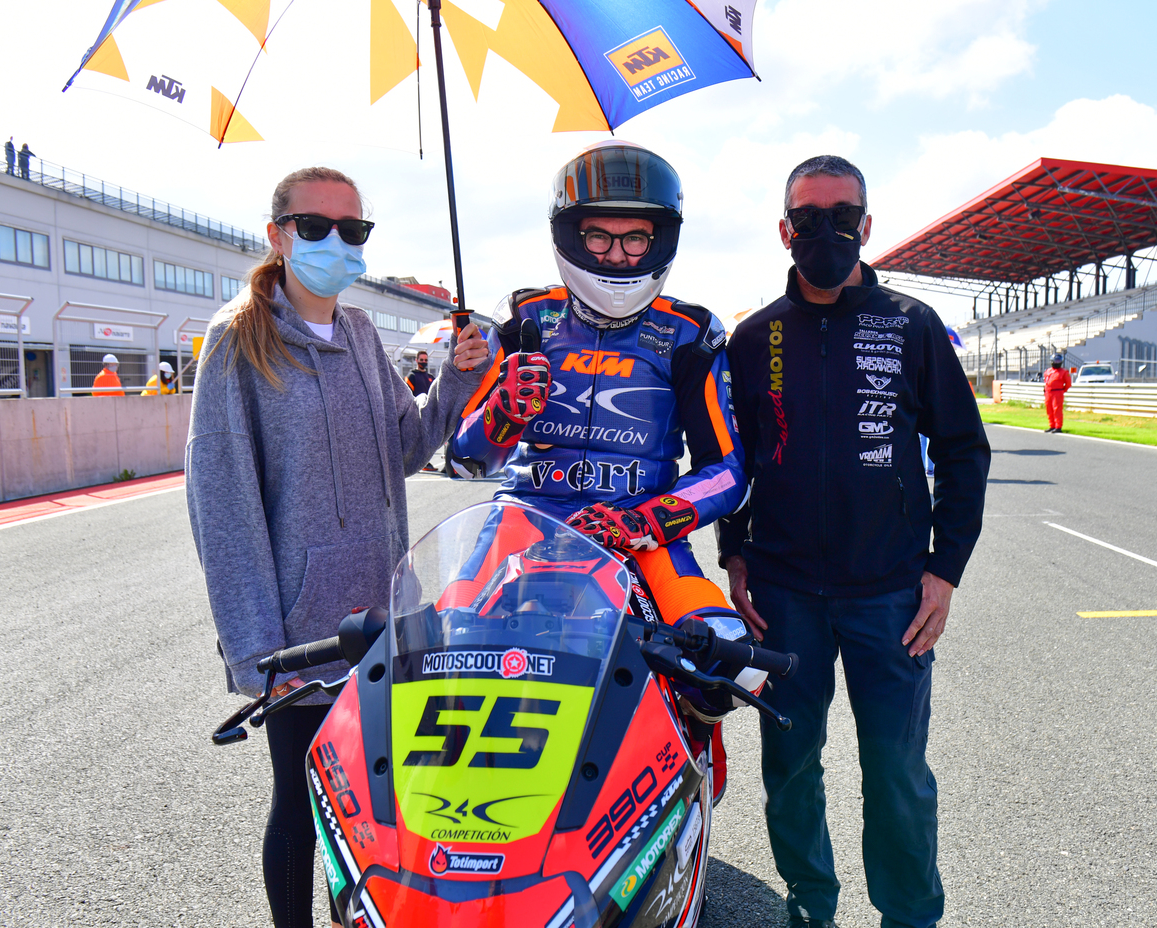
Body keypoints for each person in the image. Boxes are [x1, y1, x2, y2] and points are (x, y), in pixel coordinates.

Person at [185, 166, 489, 928]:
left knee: (375, 810)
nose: (336, 242)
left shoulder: (359, 332)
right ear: (278, 235)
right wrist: (260, 652)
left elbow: (408, 445)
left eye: (353, 229)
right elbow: (222, 506)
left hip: (384, 620)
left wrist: (456, 381)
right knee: (302, 804)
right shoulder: (236, 340)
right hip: (302, 636)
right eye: (315, 226)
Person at [717, 155, 990, 928]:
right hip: (783, 595)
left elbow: (964, 450)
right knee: (790, 769)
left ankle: (909, 917)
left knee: (897, 773)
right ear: (785, 231)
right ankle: (811, 906)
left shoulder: (912, 323)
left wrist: (945, 571)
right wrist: (734, 552)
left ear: (865, 226)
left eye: (842, 217)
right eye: (809, 218)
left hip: (890, 594)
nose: (826, 230)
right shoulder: (754, 338)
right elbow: (731, 461)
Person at [447, 141, 745, 798]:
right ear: (569, 235)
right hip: (522, 524)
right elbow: (466, 461)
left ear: (660, 239)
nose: (616, 257)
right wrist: (502, 411)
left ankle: (693, 756)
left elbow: (727, 471)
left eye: (635, 239)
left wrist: (647, 520)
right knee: (442, 646)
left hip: (642, 535)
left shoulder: (690, 332)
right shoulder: (524, 320)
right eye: (598, 237)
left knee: (724, 655)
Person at [1044, 353, 1072, 432]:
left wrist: (1062, 390)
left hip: (1057, 392)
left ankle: (1058, 426)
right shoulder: (1048, 371)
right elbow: (1046, 381)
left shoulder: (1064, 372)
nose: (1057, 362)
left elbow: (1068, 383)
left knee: (1057, 409)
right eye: (1055, 360)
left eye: (1058, 361)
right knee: (1049, 409)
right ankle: (1052, 425)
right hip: (1048, 392)